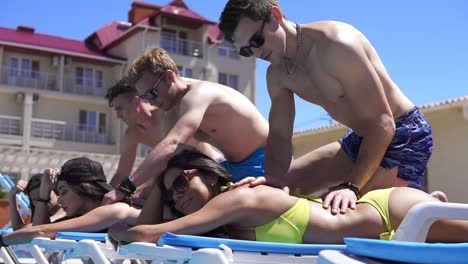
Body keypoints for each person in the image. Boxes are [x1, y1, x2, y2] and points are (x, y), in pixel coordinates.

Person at [218, 0, 437, 214]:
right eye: (247, 51)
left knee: (340, 214)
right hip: (360, 139)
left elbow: (383, 123)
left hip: (404, 134)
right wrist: (274, 178)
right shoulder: (277, 74)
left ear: (276, 16)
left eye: (257, 40)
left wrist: (351, 186)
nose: (257, 53)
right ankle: (414, 200)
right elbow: (279, 135)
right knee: (271, 194)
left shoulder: (337, 45)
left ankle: (428, 205)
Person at [110, 149, 468, 245]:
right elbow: (154, 226)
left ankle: (430, 200)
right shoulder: (225, 215)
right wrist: (161, 186)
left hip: (392, 215)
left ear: (202, 173)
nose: (178, 198)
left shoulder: (233, 200)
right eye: (171, 194)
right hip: (379, 226)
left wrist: (114, 233)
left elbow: (145, 233)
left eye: (180, 185)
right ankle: (432, 199)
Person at [103, 48, 270, 224]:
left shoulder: (199, 94)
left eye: (152, 93)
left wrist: (127, 187)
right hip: (229, 170)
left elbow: (172, 144)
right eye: (145, 97)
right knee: (136, 216)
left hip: (264, 162)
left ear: (169, 77)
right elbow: (168, 162)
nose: (151, 102)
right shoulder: (170, 113)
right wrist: (138, 192)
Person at [105, 77, 223, 205]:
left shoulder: (167, 115)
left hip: (213, 167)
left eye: (119, 108)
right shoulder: (132, 134)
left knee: (144, 195)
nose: (118, 116)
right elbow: (122, 172)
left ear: (136, 101)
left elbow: (173, 153)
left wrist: (141, 188)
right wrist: (103, 198)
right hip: (184, 178)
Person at [0, 157, 140, 246]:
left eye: (64, 191)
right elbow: (42, 240)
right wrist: (44, 192)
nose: (60, 201)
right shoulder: (87, 217)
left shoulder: (113, 210)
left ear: (84, 188)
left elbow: (41, 231)